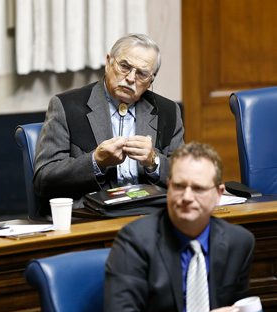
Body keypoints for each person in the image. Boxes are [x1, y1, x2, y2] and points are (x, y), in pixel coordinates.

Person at [104, 142, 255, 312]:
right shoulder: (135, 241)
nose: (187, 197)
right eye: (179, 186)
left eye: (198, 188)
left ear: (218, 194)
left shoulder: (239, 242)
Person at [33, 33, 184, 214]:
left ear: (151, 81)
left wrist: (154, 162)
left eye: (142, 74)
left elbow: (186, 176)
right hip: (91, 219)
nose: (130, 78)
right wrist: (96, 161)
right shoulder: (66, 106)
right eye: (124, 66)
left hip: (151, 216)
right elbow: (44, 181)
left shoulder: (168, 111)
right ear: (108, 62)